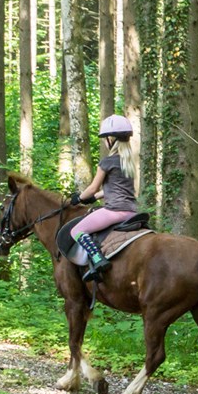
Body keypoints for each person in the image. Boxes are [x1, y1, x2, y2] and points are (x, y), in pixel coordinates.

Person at [67, 115, 139, 282]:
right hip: (131, 211)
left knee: (77, 231)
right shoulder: (127, 162)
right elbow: (113, 189)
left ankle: (98, 260)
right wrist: (94, 198)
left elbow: (92, 188)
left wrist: (79, 198)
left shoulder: (107, 162)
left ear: (111, 139)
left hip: (114, 210)